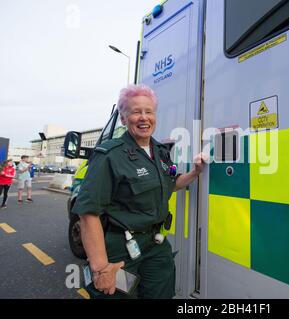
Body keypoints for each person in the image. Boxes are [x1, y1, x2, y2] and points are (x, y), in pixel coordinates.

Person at [72, 84, 207, 299]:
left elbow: (170, 183)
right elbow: (88, 212)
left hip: (156, 244)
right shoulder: (109, 155)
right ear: (124, 119)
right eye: (135, 112)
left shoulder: (161, 152)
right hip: (120, 249)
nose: (144, 118)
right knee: (113, 294)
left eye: (148, 111)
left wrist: (195, 173)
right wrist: (100, 267)